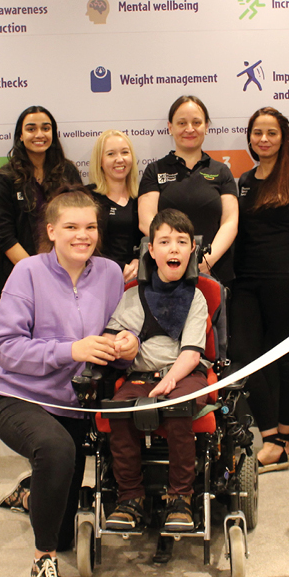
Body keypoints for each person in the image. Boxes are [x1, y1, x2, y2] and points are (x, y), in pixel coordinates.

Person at [0, 188, 135, 577]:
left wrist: (126, 346)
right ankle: (42, 562)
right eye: (70, 227)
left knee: (68, 530)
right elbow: (4, 348)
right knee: (55, 451)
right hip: (18, 398)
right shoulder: (27, 272)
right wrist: (70, 349)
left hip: (75, 405)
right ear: (51, 231)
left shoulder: (109, 273)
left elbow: (115, 338)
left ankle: (33, 491)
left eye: (90, 227)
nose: (82, 236)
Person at [104, 209, 210, 533]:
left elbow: (192, 353)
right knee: (120, 412)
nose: (173, 249)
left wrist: (170, 380)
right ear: (151, 250)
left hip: (183, 374)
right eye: (164, 242)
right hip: (140, 374)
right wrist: (121, 344)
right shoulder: (133, 296)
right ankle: (130, 498)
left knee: (177, 409)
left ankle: (181, 498)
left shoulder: (197, 297)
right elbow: (113, 336)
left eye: (181, 242)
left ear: (192, 248)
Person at [229, 108, 289, 473]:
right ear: (249, 137)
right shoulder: (244, 180)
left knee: (287, 358)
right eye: (257, 133)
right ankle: (269, 436)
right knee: (245, 356)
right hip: (247, 282)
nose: (263, 139)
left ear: (283, 137)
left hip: (288, 281)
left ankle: (283, 439)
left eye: (271, 133)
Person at [138, 95, 239, 287]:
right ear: (170, 127)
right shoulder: (155, 171)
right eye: (182, 123)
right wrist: (177, 256)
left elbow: (230, 222)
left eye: (196, 122)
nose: (189, 129)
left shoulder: (221, 171)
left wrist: (206, 260)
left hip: (214, 271)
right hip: (167, 272)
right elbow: (146, 221)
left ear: (206, 126)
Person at [0, 106, 83, 265]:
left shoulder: (68, 172)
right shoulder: (5, 178)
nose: (39, 134)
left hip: (67, 266)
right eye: (31, 129)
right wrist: (35, 271)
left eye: (46, 128)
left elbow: (80, 221)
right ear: (21, 135)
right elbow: (5, 235)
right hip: (21, 269)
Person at [88, 129, 140, 283]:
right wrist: (118, 267)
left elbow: (148, 237)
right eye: (111, 154)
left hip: (135, 279)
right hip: (97, 279)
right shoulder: (88, 197)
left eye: (125, 152)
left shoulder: (142, 197)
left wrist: (138, 261)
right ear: (100, 161)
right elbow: (85, 243)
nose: (120, 159)